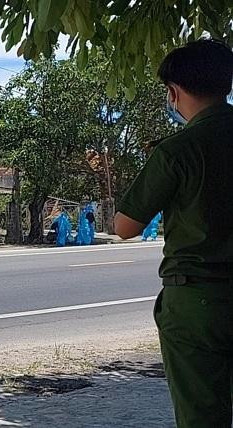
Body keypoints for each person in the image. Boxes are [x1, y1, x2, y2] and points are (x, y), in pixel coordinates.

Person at [114, 39, 233, 428]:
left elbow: (125, 226)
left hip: (198, 301)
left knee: (203, 415)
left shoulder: (178, 150)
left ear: (174, 92)